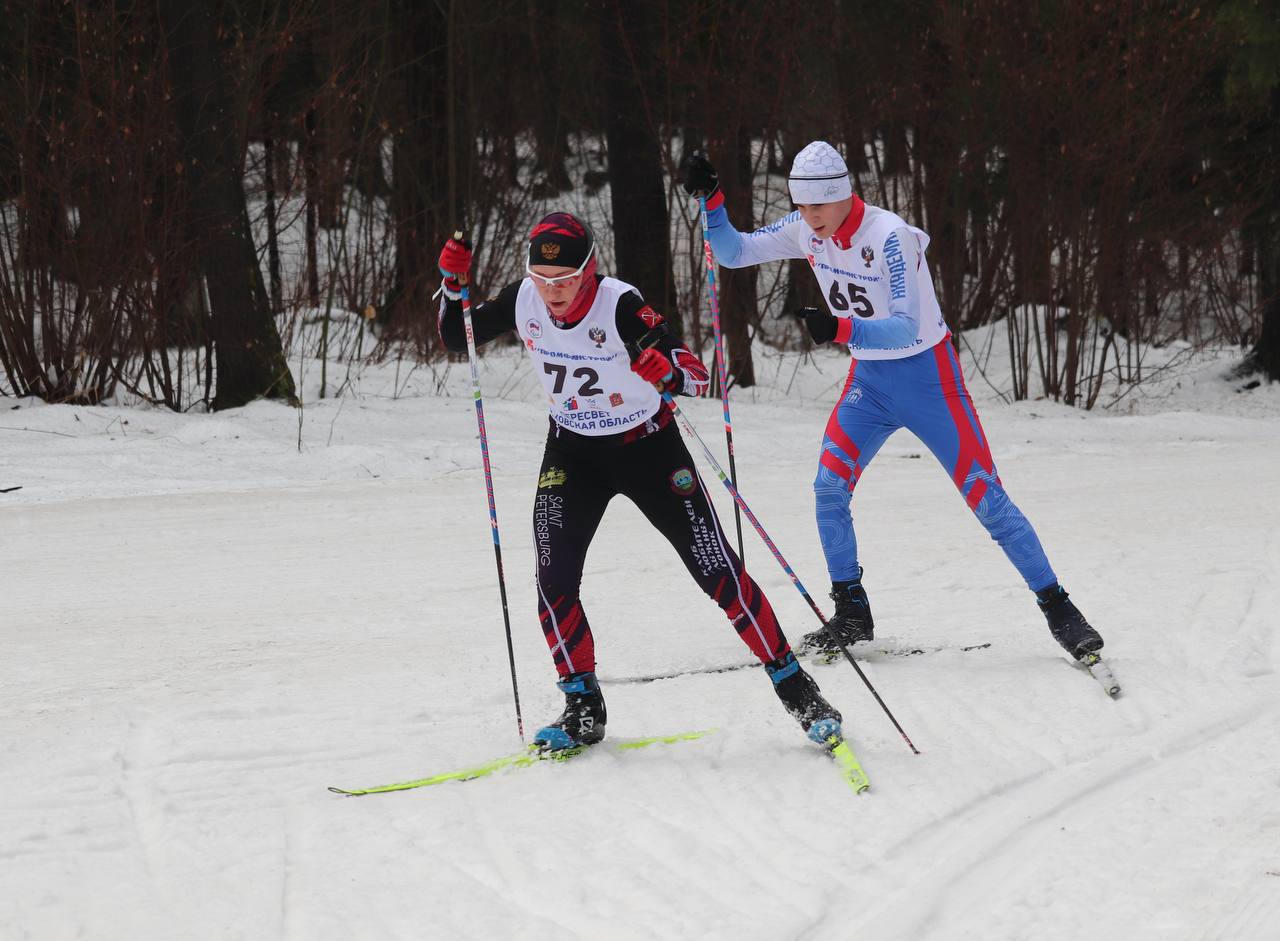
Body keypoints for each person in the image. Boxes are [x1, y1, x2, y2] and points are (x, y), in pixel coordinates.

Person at [678, 142, 1105, 663]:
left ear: (842, 197)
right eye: (801, 205)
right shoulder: (806, 228)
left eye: (818, 206)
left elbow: (905, 324)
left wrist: (837, 326)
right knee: (827, 489)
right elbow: (733, 252)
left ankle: (1060, 609)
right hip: (871, 385)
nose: (808, 218)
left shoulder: (889, 237)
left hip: (930, 380)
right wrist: (713, 199)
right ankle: (852, 611)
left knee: (986, 497)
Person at [436, 211, 843, 750]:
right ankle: (583, 705)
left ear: (590, 270)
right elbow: (453, 336)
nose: (553, 293)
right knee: (553, 582)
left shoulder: (620, 303)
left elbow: (694, 374)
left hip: (648, 448)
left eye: (564, 280)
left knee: (716, 571)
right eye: (542, 280)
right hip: (573, 451)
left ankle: (797, 688)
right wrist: (451, 284)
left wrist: (665, 370)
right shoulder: (523, 298)